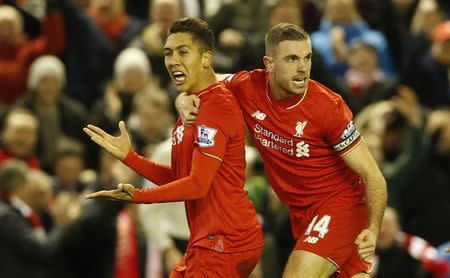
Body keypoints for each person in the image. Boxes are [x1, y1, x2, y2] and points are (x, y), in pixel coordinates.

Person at [176, 23, 387, 278]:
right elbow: (209, 79)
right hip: (301, 213)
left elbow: (373, 176)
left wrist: (373, 230)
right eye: (292, 59)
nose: (302, 68)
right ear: (269, 63)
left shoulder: (328, 107)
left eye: (307, 58)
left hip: (339, 206)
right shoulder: (248, 86)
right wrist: (184, 96)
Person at [83, 17, 263, 277]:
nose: (173, 60)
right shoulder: (192, 107)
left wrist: (138, 196)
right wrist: (130, 158)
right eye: (168, 53)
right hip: (210, 240)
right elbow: (182, 177)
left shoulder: (216, 106)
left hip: (226, 241)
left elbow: (197, 186)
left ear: (206, 59)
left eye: (183, 52)